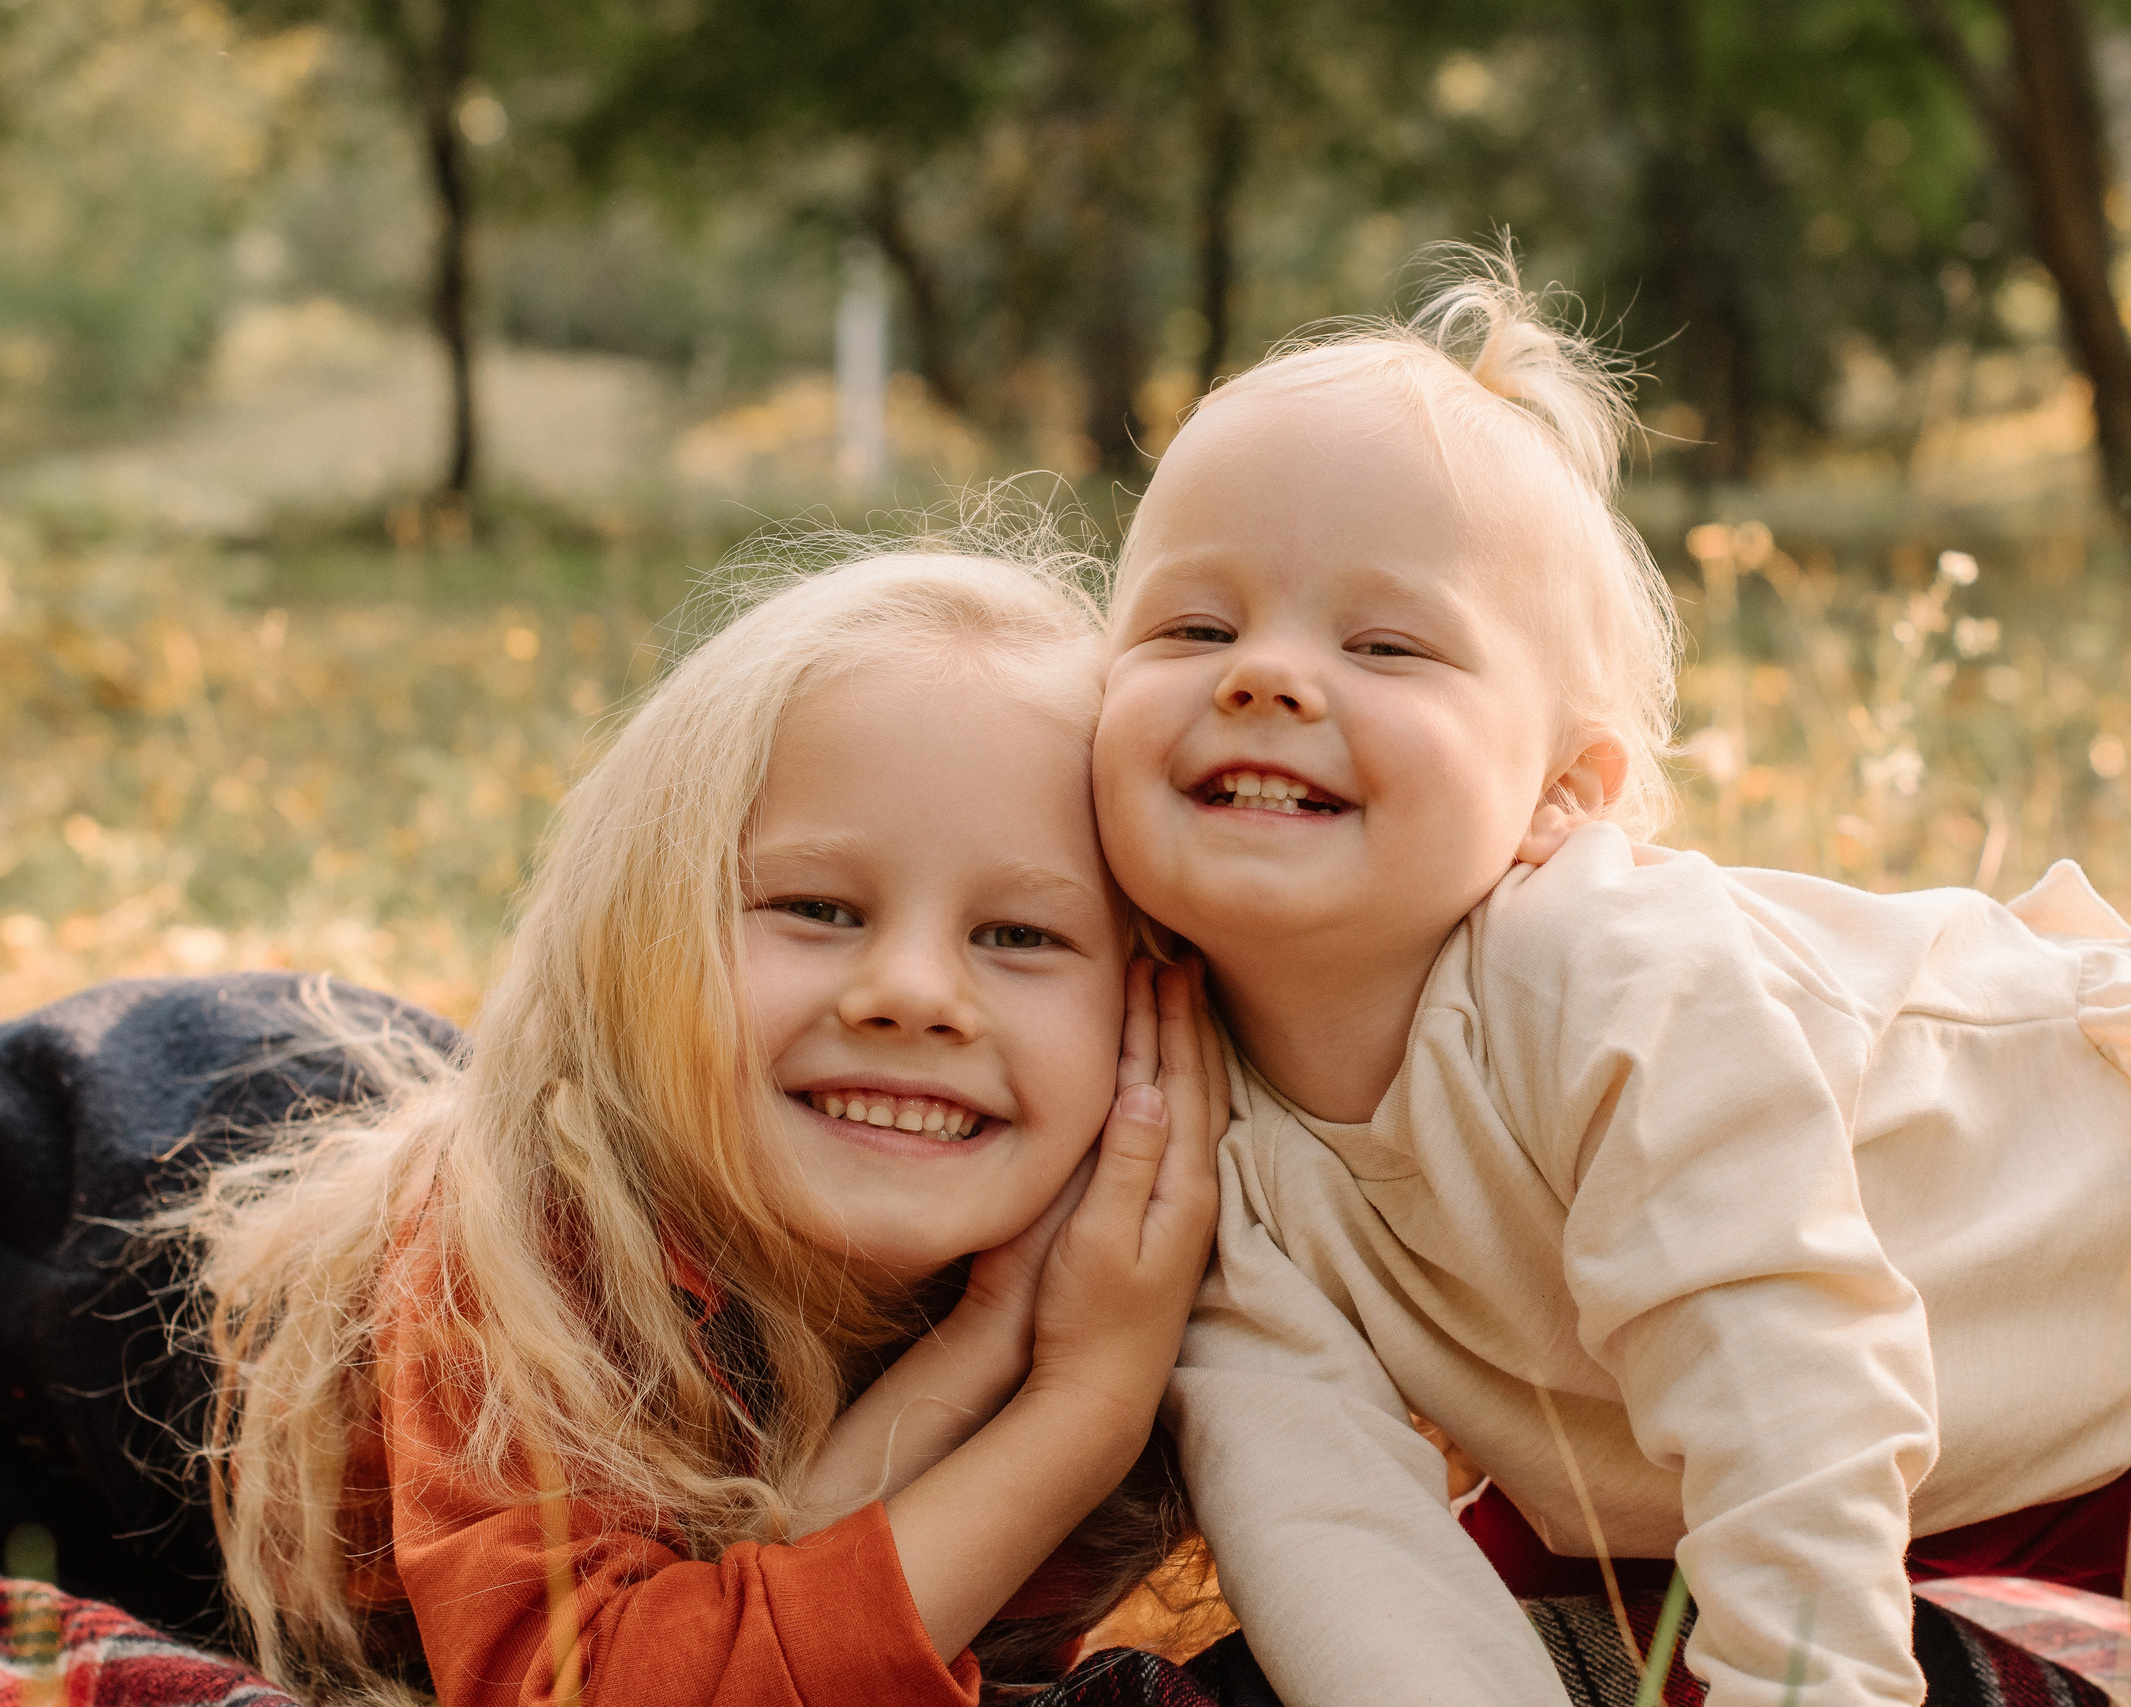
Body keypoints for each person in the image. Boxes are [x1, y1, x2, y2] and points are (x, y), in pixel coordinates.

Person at [1088, 249, 2131, 1707]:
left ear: (1559, 795)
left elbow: (1793, 1371)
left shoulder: (1612, 979)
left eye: (1384, 643)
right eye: (1193, 627)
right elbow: (1331, 1520)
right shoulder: (1191, 1110)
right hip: (1689, 1469)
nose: (1265, 675)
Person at [20, 543, 1228, 1706]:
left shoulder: (1156, 1264)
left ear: (1152, 1002)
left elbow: (762, 1611)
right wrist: (1078, 1407)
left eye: (1020, 934)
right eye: (815, 906)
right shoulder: (523, 1249)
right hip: (84, 1197)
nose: (912, 992)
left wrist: (996, 1346)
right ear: (638, 943)